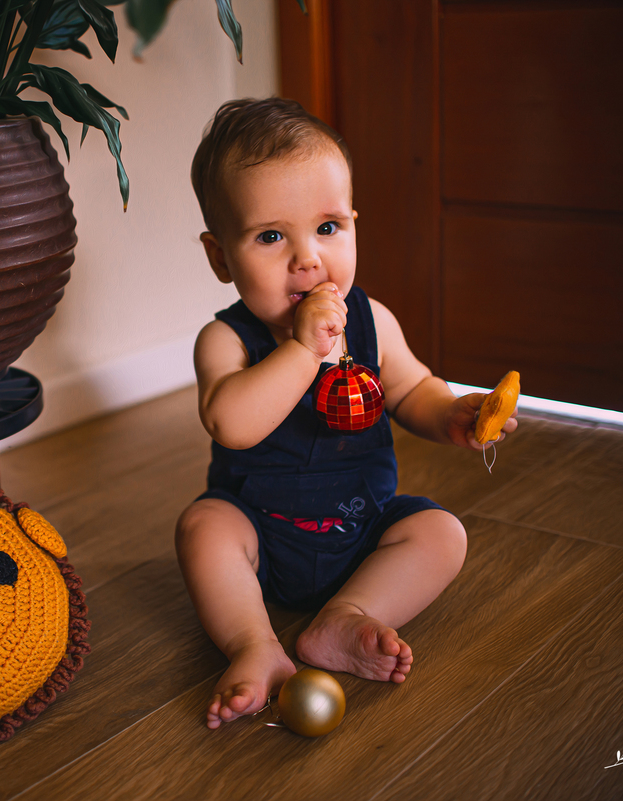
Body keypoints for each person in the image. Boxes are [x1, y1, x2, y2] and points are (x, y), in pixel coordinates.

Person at [176, 97, 517, 729]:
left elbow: (412, 389)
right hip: (261, 531)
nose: (307, 258)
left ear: (355, 224)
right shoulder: (226, 341)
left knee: (442, 534)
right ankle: (253, 640)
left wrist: (452, 415)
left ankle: (347, 616)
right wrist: (306, 349)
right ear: (221, 256)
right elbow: (232, 422)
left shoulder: (370, 321)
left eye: (328, 227)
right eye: (270, 236)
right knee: (204, 528)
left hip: (360, 529)